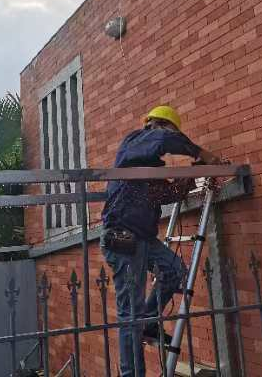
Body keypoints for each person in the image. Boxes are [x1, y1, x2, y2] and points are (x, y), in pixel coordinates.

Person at [100, 105, 225, 377]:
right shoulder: (135, 142)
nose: (169, 142)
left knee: (175, 271)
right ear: (156, 124)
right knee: (129, 315)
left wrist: (197, 174)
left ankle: (147, 322)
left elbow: (168, 193)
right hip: (122, 237)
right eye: (171, 130)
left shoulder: (148, 168)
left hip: (144, 238)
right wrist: (202, 153)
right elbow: (164, 139)